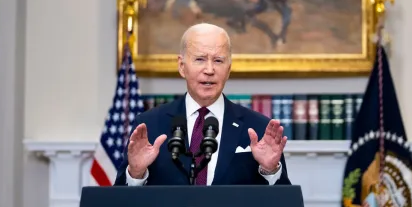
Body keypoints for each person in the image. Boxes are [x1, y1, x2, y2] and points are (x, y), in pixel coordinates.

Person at [113, 23, 291, 186]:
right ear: (182, 66)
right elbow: (120, 206)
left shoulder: (258, 127)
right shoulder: (149, 125)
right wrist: (136, 173)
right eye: (200, 59)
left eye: (218, 60)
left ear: (228, 69)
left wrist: (270, 170)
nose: (209, 70)